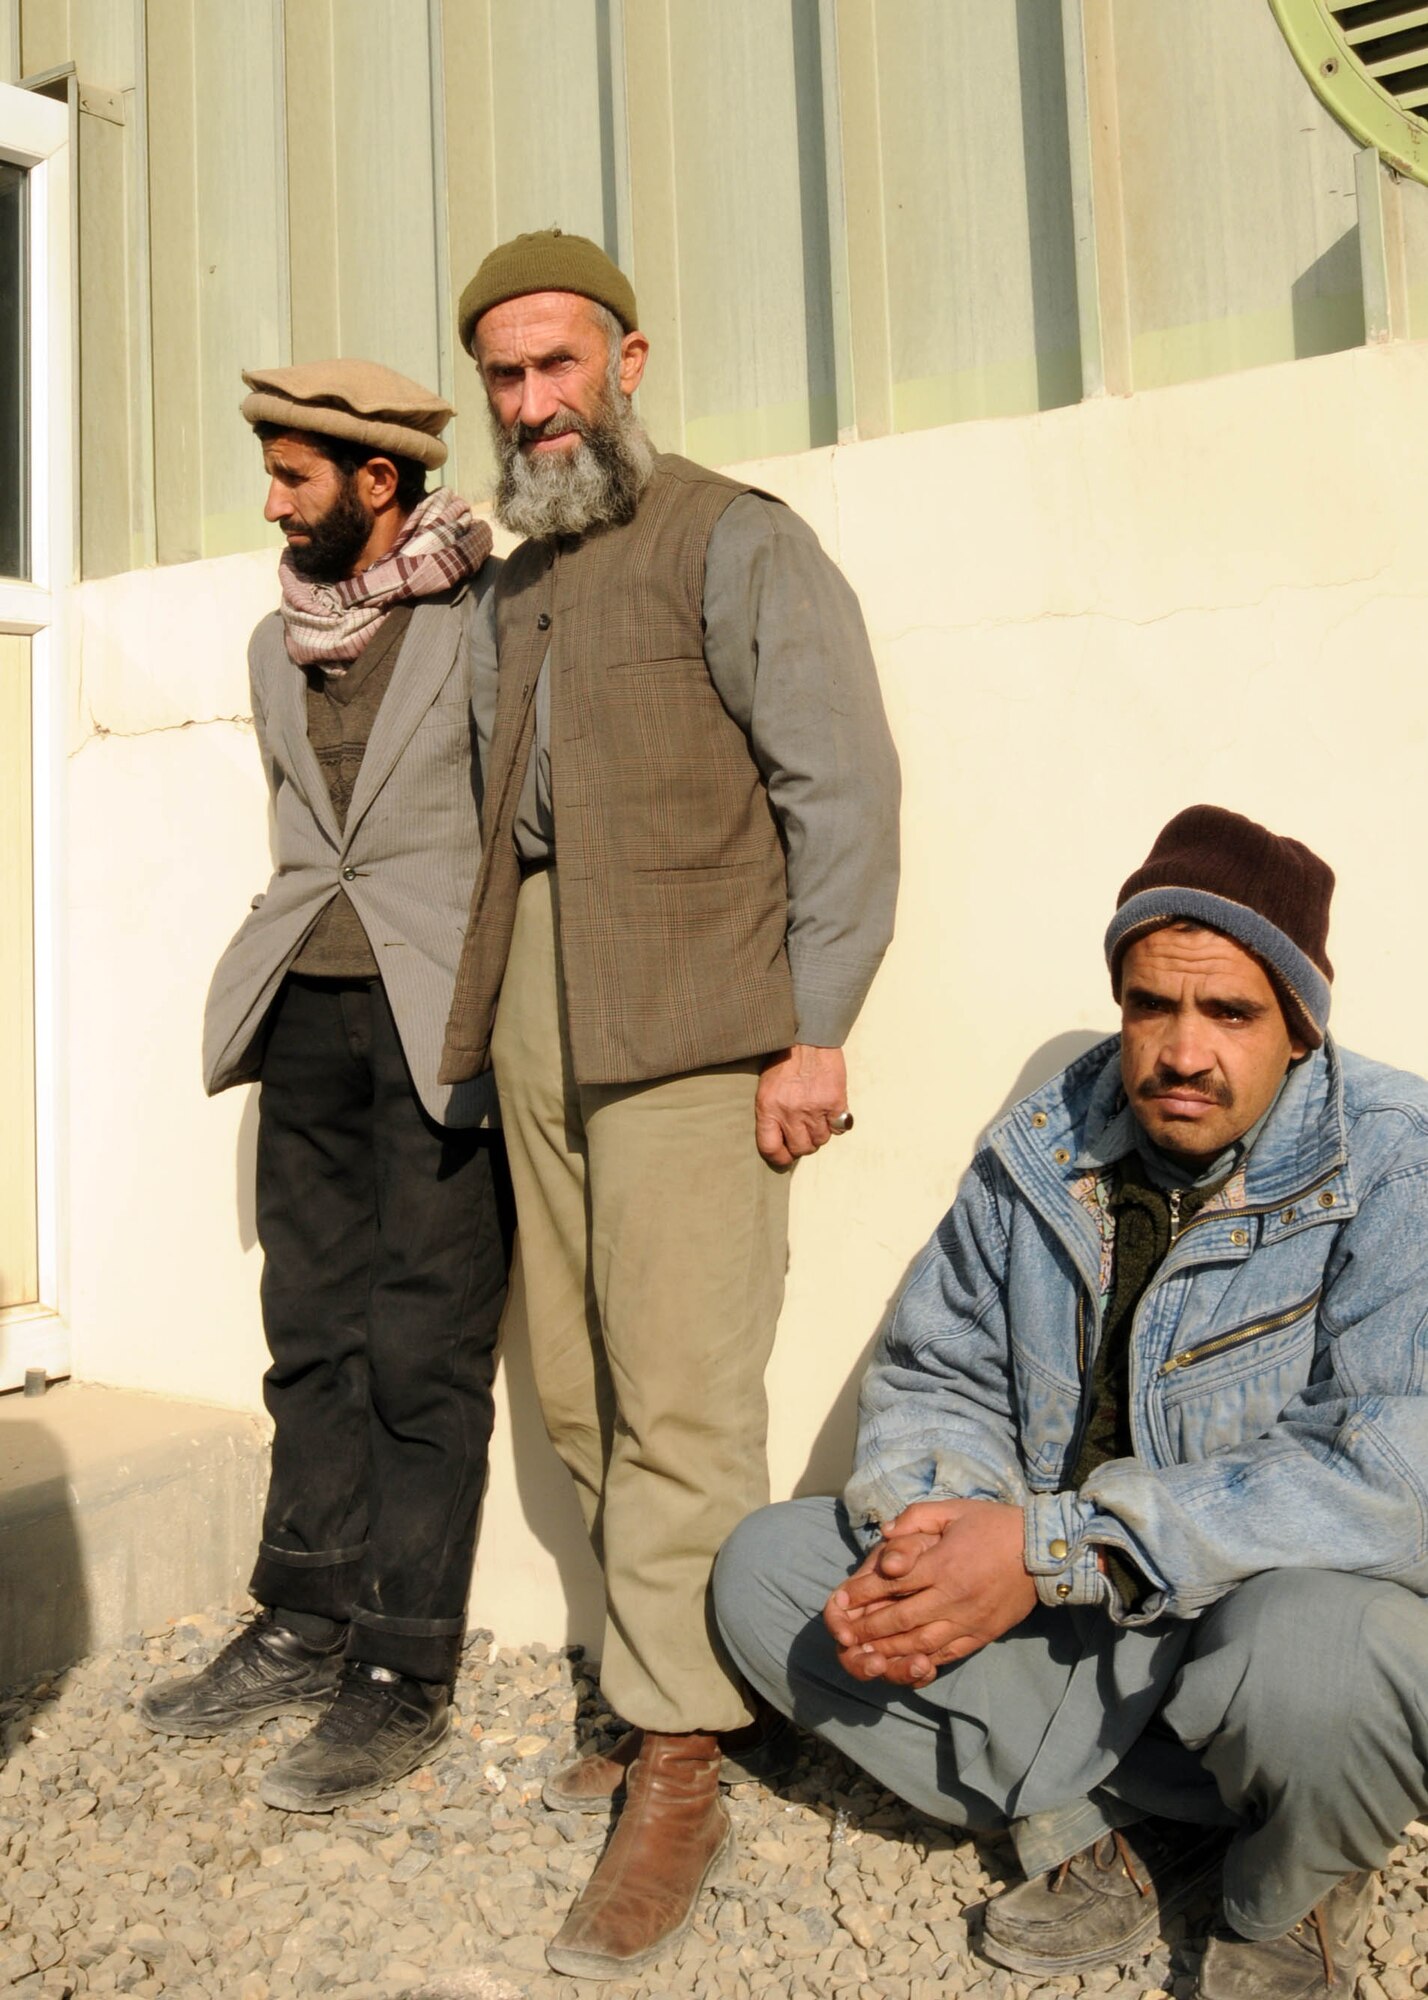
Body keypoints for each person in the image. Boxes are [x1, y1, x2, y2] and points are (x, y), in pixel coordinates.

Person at [716, 805, 1428, 2000]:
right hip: (1083, 1620)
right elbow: (940, 1368)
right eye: (1153, 1004)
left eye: (1230, 1012)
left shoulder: (1396, 1157)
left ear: (1300, 1026)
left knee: (1320, 1664)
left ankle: (1286, 1887)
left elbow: (1394, 1471)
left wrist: (1055, 1549)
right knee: (766, 1574)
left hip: (1254, 1612)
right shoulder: (1049, 1140)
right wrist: (939, 1531)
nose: (1182, 1050)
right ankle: (1112, 1819)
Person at [440, 229, 901, 1976]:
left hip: (704, 1019)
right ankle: (661, 1686)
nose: (535, 402)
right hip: (543, 1009)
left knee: (687, 1395)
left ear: (629, 363)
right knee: (573, 1381)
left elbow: (839, 792)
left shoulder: (736, 539)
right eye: (505, 375)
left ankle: (683, 1761)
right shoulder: (510, 578)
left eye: (561, 365)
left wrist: (816, 1029)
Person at [140, 361, 514, 1814]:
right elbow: (306, 832)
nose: (274, 500)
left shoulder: (487, 620)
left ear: (379, 482)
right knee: (307, 1325)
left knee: (425, 1347)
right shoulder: (267, 642)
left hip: (437, 1025)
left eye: (298, 476)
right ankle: (304, 1613)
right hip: (302, 1009)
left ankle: (401, 1667)